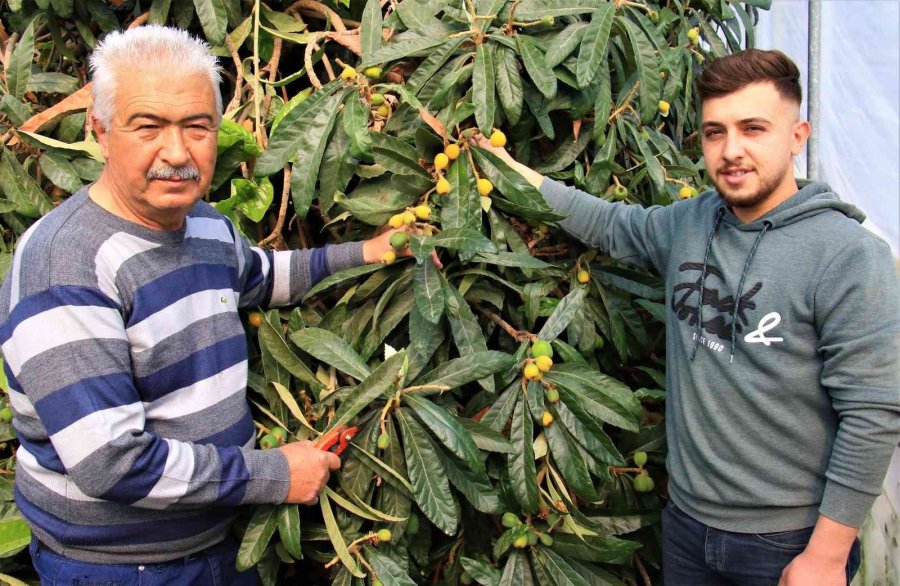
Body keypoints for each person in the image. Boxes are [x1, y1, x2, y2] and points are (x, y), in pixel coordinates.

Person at [0, 25, 406, 584]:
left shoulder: (205, 227)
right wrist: (275, 474)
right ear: (100, 131)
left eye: (197, 127)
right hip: (122, 568)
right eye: (148, 126)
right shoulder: (64, 266)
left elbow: (265, 277)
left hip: (218, 543)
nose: (177, 151)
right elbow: (112, 464)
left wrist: (372, 251)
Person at [479, 49, 899, 586]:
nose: (732, 151)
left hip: (786, 542)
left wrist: (826, 555)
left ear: (797, 136)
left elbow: (873, 413)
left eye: (753, 128)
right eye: (715, 132)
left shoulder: (846, 255)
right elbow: (604, 222)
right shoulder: (692, 222)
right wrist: (507, 173)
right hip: (686, 526)